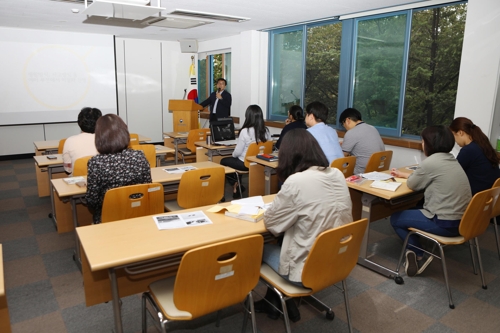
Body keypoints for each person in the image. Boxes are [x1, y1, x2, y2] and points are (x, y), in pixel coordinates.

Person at [255, 128, 353, 322]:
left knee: (255, 248)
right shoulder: (337, 174)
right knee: (288, 237)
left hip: (307, 269)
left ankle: (278, 299)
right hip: (337, 261)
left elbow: (273, 224)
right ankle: (275, 302)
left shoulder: (296, 181)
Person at [390, 125, 471, 277]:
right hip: (465, 222)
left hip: (445, 224)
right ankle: (416, 248)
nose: (421, 145)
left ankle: (416, 251)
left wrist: (407, 176)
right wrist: (404, 174)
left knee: (395, 218)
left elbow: (413, 184)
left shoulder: (431, 162)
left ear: (429, 143)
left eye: (422, 141)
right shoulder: (451, 160)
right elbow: (431, 178)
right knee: (414, 207)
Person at [85, 114, 152, 224]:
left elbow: (92, 201)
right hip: (138, 213)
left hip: (108, 217)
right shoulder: (139, 156)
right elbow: (147, 187)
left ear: (99, 137)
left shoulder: (96, 162)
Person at [220, 105, 270, 199]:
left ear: (248, 117)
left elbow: (238, 152)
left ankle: (235, 185)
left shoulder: (245, 131)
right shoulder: (266, 131)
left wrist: (232, 154)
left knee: (223, 161)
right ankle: (237, 186)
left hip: (244, 163)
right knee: (235, 162)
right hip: (259, 162)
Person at [450, 117, 500, 195]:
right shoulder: (484, 146)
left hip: (474, 199)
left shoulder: (468, 150)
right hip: (487, 199)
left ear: (460, 132)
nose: (454, 141)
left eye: (453, 135)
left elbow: (453, 174)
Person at [339, 108, 385, 175]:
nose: (344, 127)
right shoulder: (372, 128)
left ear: (347, 120)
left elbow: (341, 156)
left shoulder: (351, 132)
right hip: (378, 169)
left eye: (343, 124)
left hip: (361, 172)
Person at [62, 107, 102, 175]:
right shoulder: (106, 141)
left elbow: (68, 169)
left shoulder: (70, 141)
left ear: (79, 123)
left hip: (77, 182)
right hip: (101, 181)